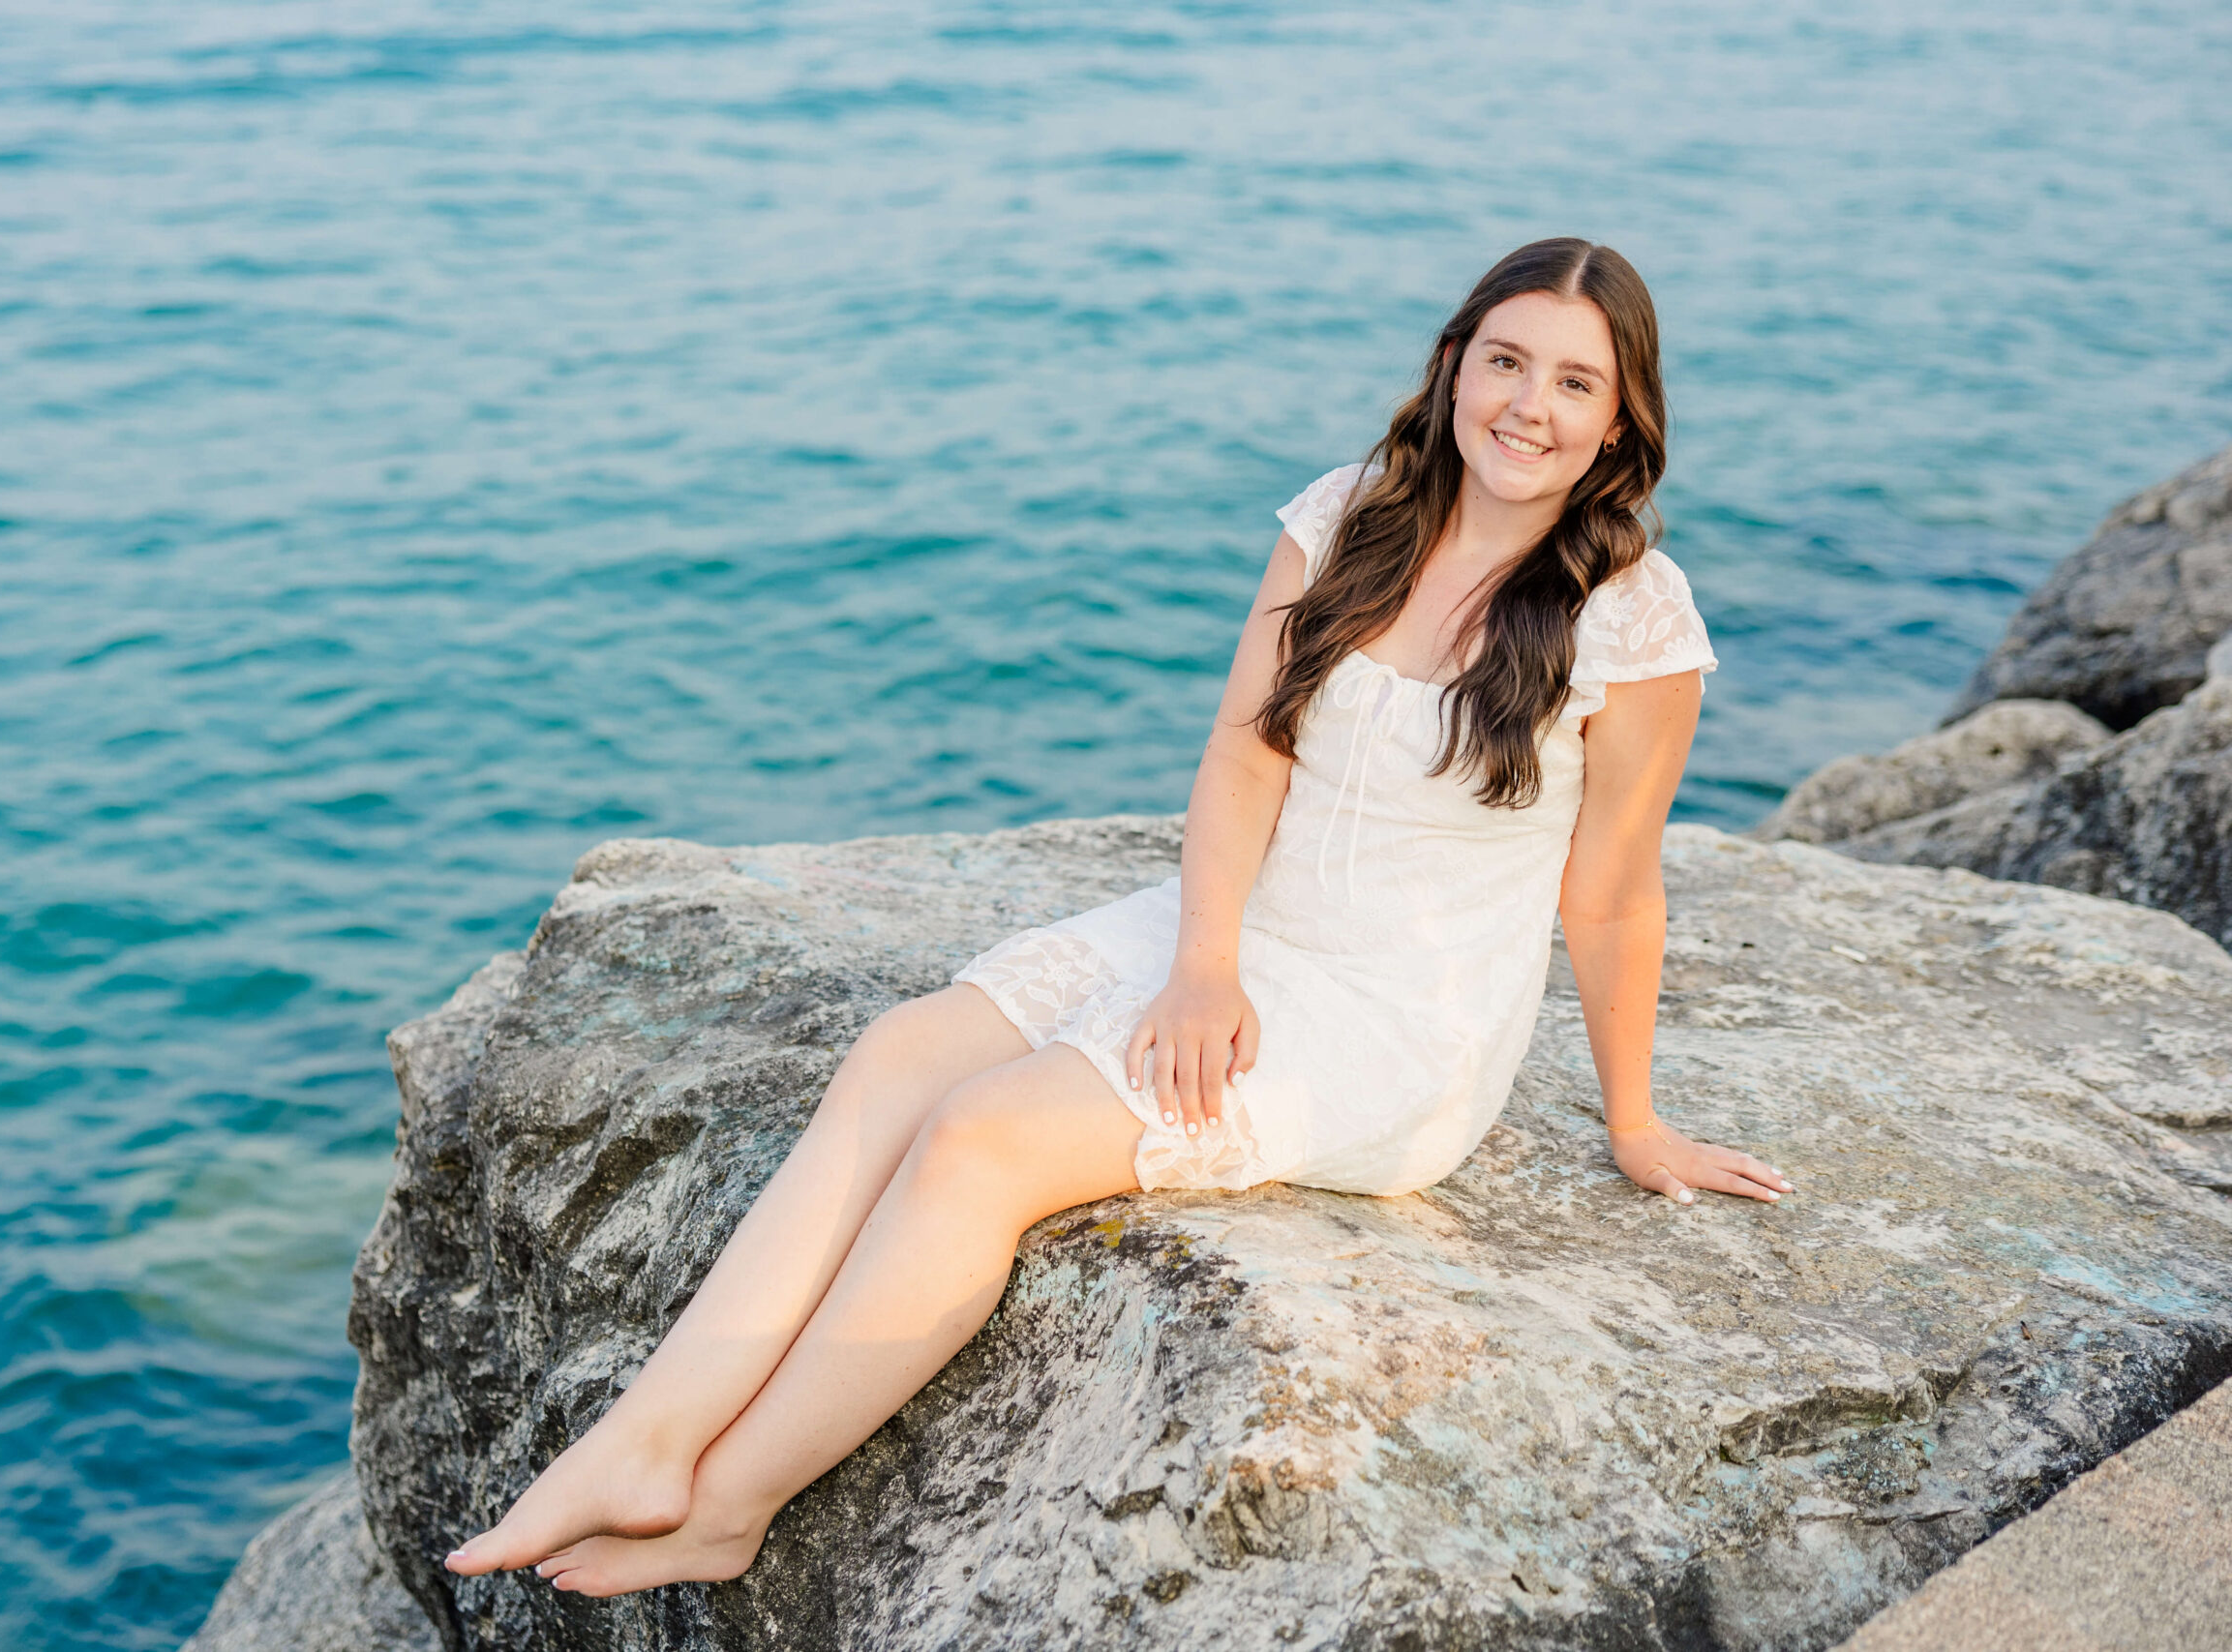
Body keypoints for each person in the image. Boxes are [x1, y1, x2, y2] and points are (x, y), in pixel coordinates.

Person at [442, 236, 1793, 1599]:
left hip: (1395, 1017)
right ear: (1453, 367)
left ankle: (730, 1502)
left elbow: (1613, 890)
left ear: (1620, 419)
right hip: (1235, 927)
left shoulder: (1631, 619)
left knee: (982, 1141)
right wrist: (1205, 963)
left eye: (1575, 381)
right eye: (1506, 362)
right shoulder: (1349, 517)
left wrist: (1633, 1122)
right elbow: (1245, 752)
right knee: (902, 1055)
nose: (1530, 406)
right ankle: (649, 1437)